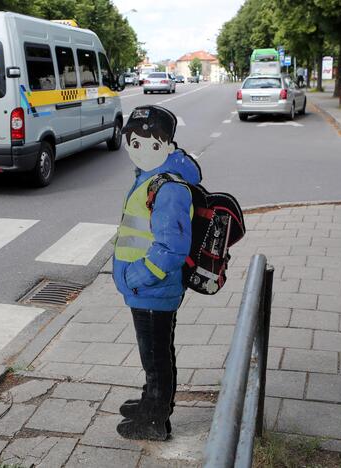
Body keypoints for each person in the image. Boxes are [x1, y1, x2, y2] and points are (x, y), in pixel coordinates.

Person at [112, 105, 202, 441]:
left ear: (166, 146)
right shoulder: (148, 177)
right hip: (144, 291)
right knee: (152, 353)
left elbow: (172, 248)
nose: (140, 151)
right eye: (134, 143)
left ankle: (155, 419)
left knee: (156, 356)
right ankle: (151, 399)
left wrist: (140, 275)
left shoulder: (169, 187)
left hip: (153, 289)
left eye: (150, 145)